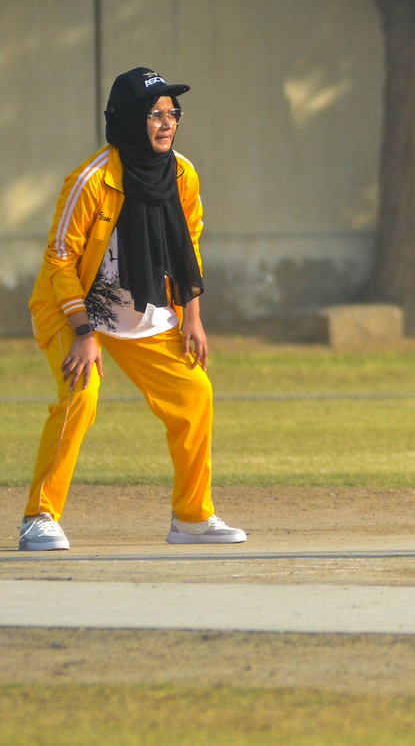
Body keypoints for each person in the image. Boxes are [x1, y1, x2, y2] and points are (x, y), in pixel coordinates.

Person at [18, 67, 246, 551]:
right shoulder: (92, 179)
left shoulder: (182, 173)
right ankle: (39, 516)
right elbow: (59, 259)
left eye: (172, 112)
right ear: (126, 119)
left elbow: (189, 244)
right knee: (81, 394)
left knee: (194, 394)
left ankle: (192, 518)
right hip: (73, 308)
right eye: (154, 113)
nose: (167, 122)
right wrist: (83, 333)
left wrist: (192, 317)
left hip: (144, 308)